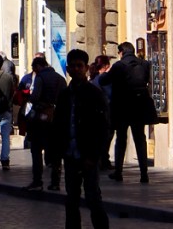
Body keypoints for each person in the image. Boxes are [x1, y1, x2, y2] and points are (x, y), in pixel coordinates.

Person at [51, 49, 110, 229]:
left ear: (86, 68)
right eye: (73, 66)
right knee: (72, 200)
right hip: (70, 154)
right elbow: (58, 125)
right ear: (68, 69)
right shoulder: (64, 95)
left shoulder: (94, 93)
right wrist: (56, 154)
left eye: (80, 66)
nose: (76, 69)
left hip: (88, 155)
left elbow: (103, 127)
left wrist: (95, 155)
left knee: (93, 198)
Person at [99, 41, 152, 183]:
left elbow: (103, 80)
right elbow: (146, 80)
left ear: (121, 52)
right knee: (140, 139)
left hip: (122, 107)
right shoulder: (144, 64)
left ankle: (118, 171)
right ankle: (144, 173)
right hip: (139, 107)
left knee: (121, 139)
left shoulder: (118, 66)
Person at [25, 55, 65, 191]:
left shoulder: (40, 78)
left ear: (38, 67)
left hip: (42, 118)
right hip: (57, 118)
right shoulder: (61, 78)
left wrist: (29, 98)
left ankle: (37, 181)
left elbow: (35, 96)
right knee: (55, 152)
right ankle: (55, 182)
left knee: (36, 149)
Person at [0, 54, 16, 171]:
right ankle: (5, 160)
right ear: (2, 64)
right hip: (5, 110)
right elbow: (13, 92)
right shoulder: (8, 77)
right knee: (5, 137)